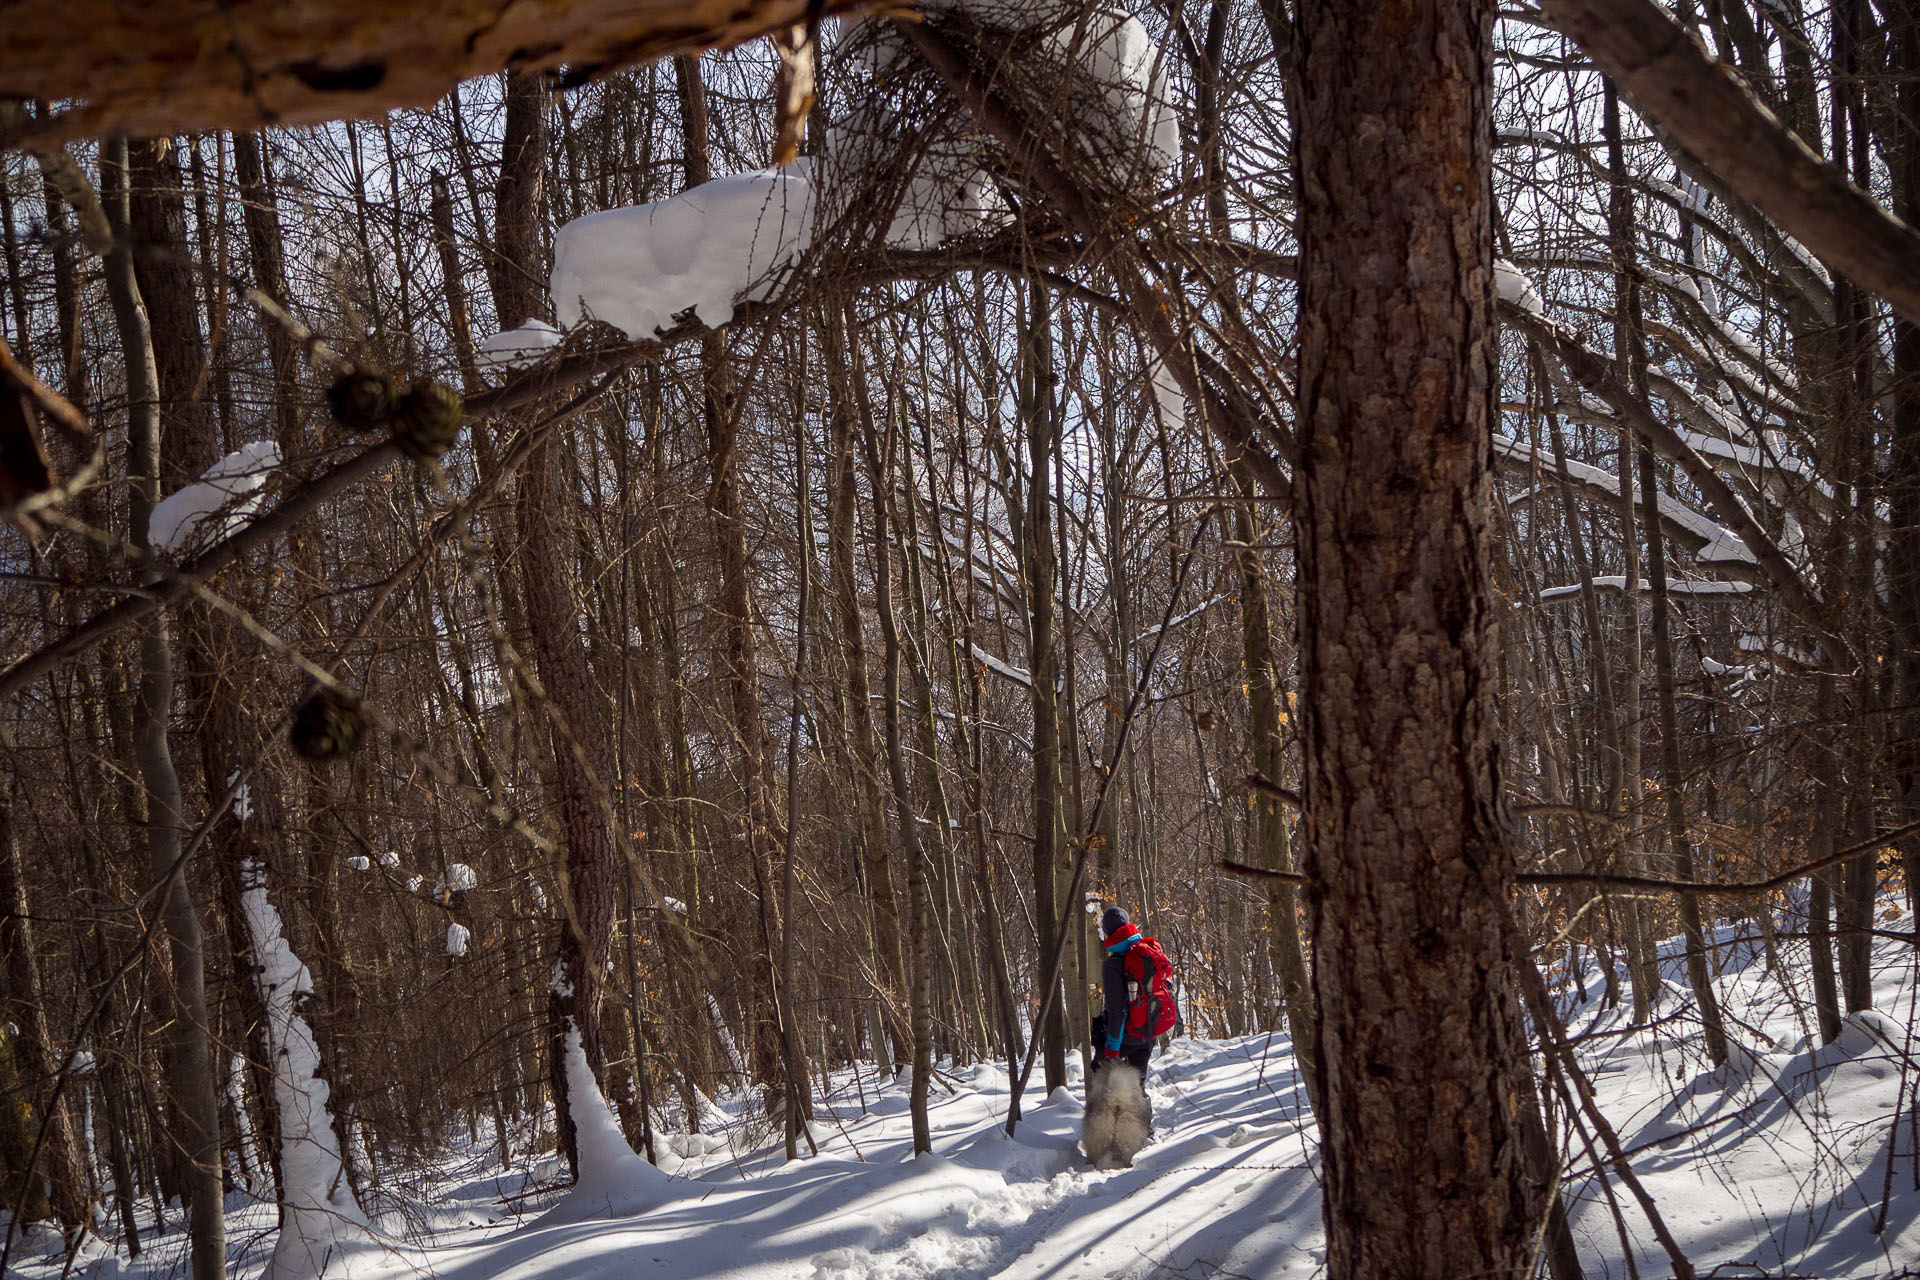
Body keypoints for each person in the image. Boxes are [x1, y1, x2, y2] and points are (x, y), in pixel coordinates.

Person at [1095, 906, 1178, 1077]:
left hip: (1126, 1036)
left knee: (1103, 1080)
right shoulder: (1146, 953)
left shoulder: (1113, 965)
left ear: (1108, 932)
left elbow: (1117, 1010)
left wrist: (1112, 1050)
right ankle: (1144, 1103)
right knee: (1138, 1087)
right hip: (1148, 1031)